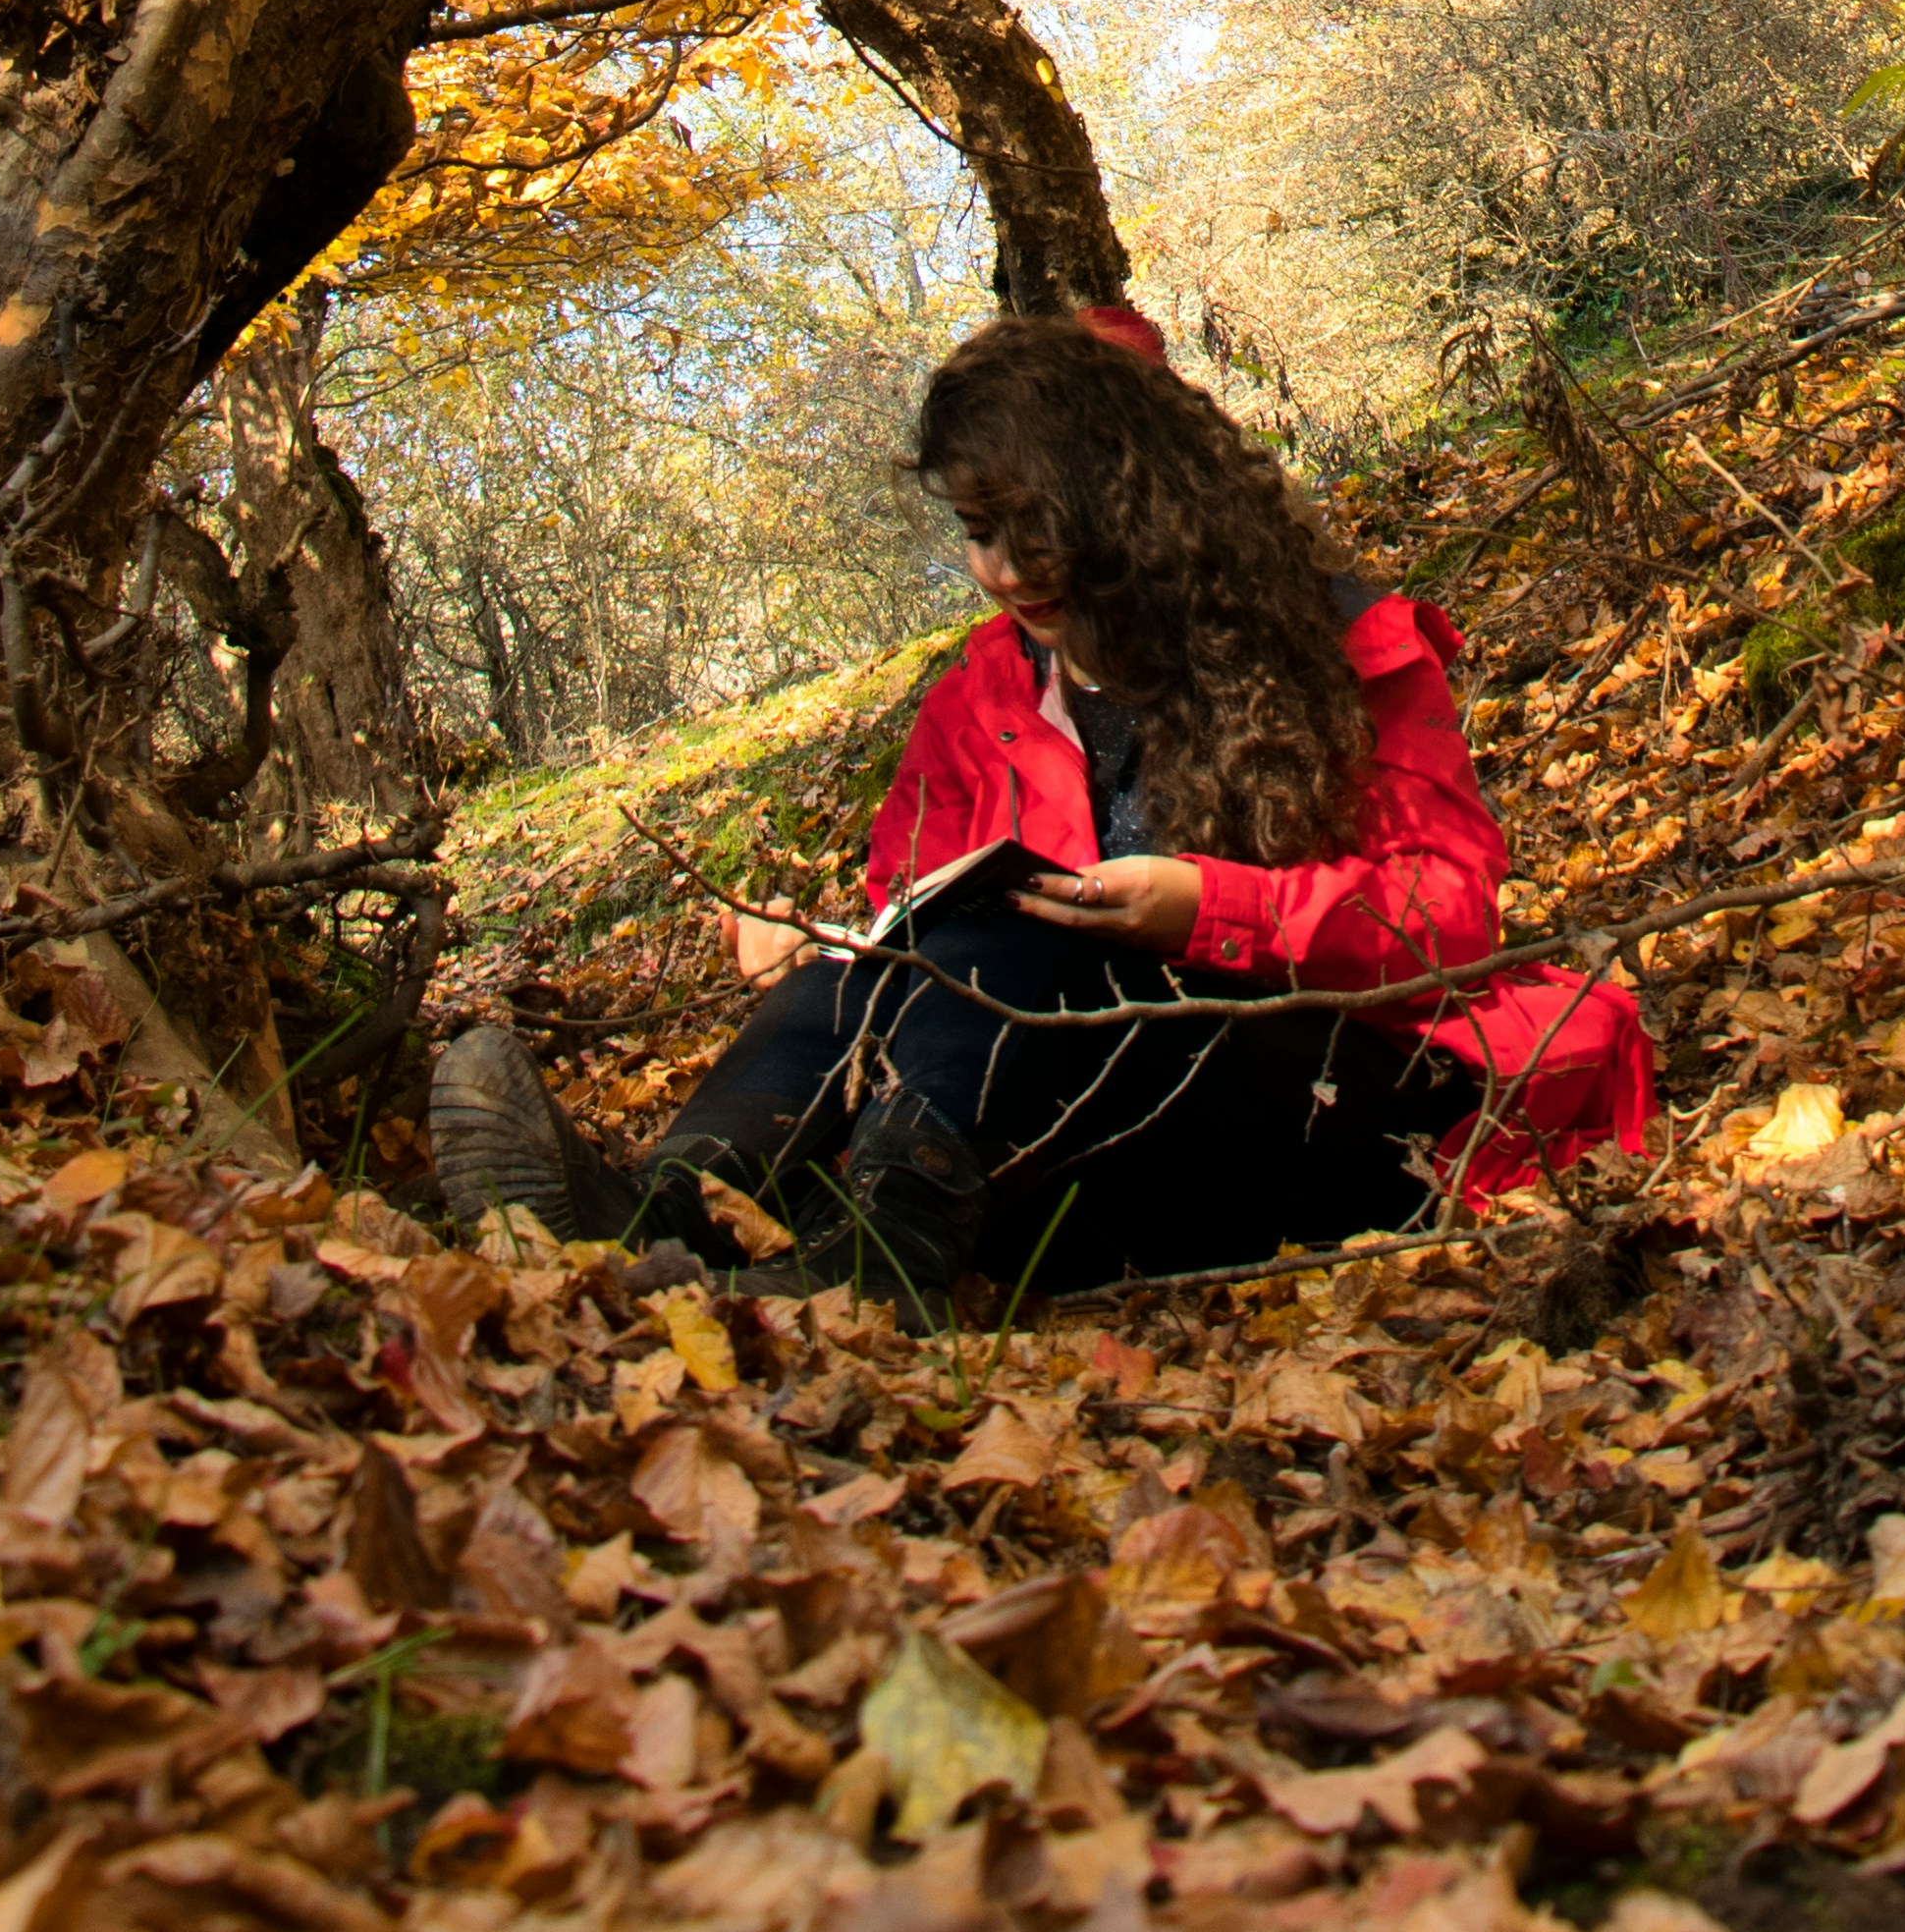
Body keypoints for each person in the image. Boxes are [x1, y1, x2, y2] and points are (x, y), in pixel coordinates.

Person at [430, 307, 1651, 1313]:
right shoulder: (980, 696)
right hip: (1067, 1142)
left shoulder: (1345, 650)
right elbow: (917, 925)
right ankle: (661, 1218)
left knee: (1010, 940)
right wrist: (821, 946)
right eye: (976, 533)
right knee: (911, 956)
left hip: (1333, 1115)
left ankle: (861, 1270)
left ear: (1138, 508)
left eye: (1034, 529)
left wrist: (1204, 910)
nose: (1003, 572)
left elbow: (1447, 920)